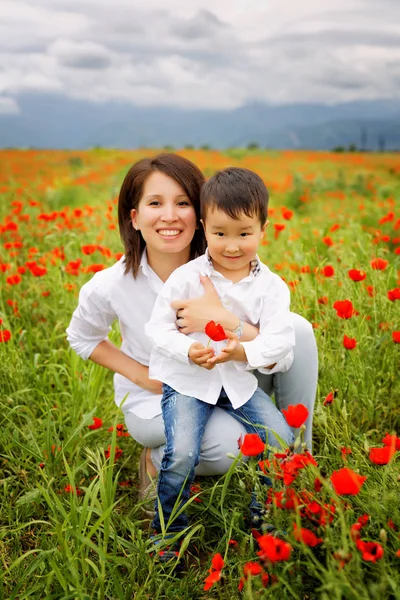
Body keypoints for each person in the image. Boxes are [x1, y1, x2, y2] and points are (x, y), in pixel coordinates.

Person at [66, 152, 318, 515]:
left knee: (297, 329)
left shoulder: (228, 264)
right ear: (134, 218)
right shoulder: (112, 284)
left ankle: (298, 461)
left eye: (182, 203)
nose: (169, 215)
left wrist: (219, 317)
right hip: (156, 395)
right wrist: (144, 375)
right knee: (232, 447)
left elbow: (277, 347)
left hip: (230, 379)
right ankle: (155, 461)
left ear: (200, 215)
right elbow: (82, 337)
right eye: (155, 203)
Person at [145, 167, 295, 544]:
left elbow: (280, 342)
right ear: (203, 227)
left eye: (244, 234)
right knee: (181, 453)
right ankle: (168, 533)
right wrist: (189, 350)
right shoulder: (185, 277)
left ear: (263, 228)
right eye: (219, 234)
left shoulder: (272, 288)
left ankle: (264, 518)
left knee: (279, 440)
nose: (231, 246)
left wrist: (242, 349)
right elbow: (157, 329)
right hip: (188, 383)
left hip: (239, 384)